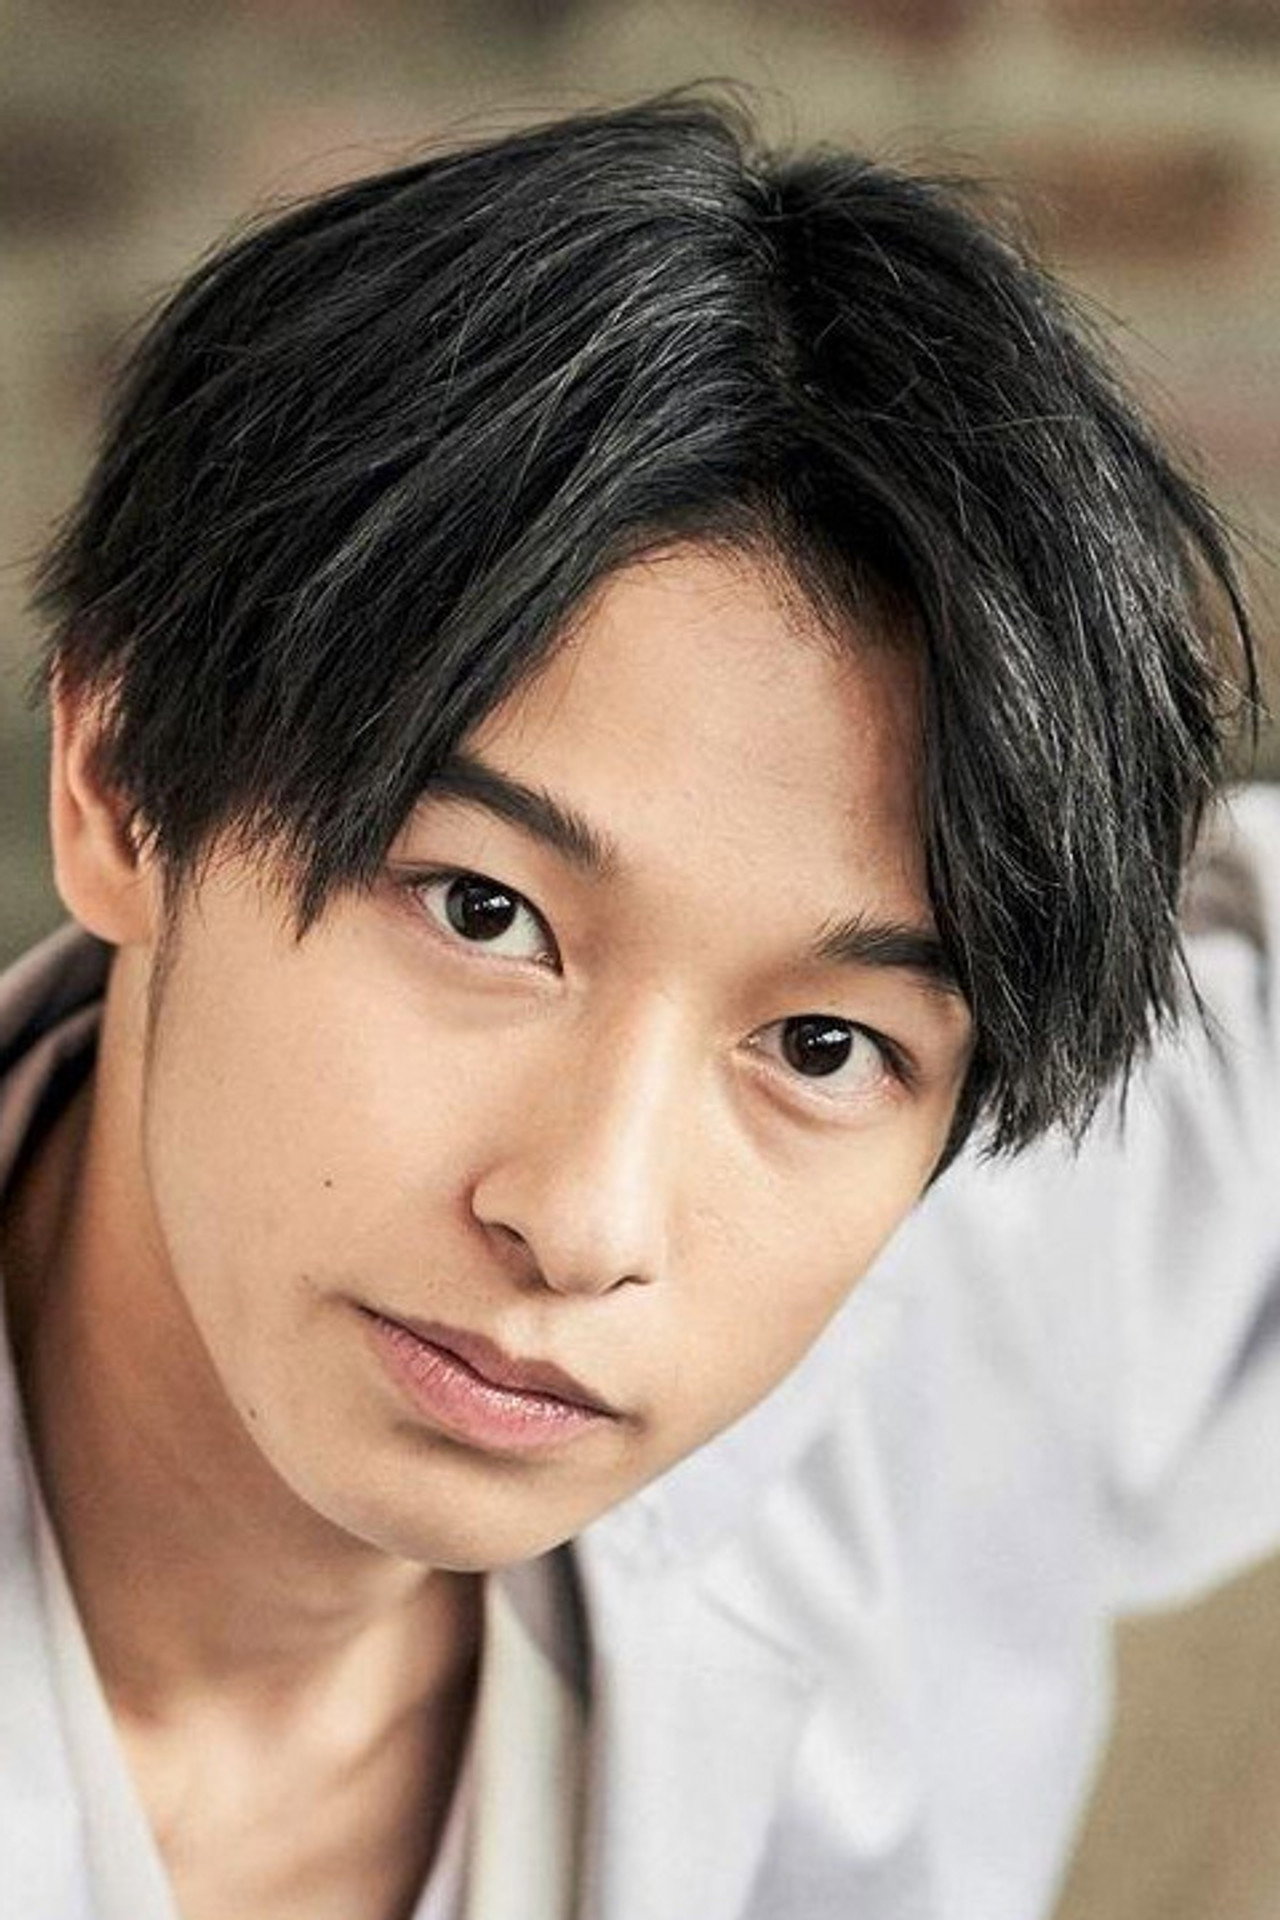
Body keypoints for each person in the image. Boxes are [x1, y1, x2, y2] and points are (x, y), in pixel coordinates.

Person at [0, 92, 1268, 1920]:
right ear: (120, 784)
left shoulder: (973, 1293)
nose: (589, 1223)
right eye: (485, 913)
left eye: (822, 1045)